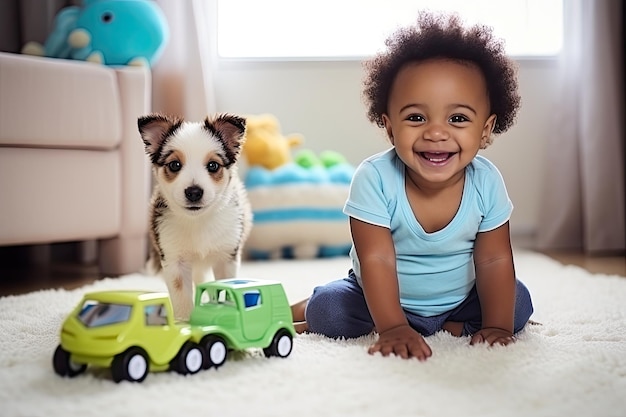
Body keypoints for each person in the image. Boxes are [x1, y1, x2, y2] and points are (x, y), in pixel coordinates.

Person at [291, 11, 534, 360]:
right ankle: (316, 307)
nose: (436, 133)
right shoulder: (374, 178)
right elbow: (376, 258)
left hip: (459, 299)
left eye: (458, 118)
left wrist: (496, 326)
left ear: (485, 129)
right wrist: (392, 328)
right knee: (329, 311)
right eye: (416, 117)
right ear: (390, 127)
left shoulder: (487, 182)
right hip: (376, 296)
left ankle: (439, 324)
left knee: (517, 304)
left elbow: (494, 258)